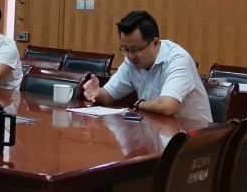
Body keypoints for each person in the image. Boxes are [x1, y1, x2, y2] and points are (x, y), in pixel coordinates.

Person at [82, 10, 211, 122]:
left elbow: (166, 106)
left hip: (195, 135)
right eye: (125, 49)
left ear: (156, 43)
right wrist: (96, 92)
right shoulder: (131, 61)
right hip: (158, 130)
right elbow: (107, 96)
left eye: (136, 49)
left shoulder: (177, 59)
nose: (130, 56)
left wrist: (138, 104)